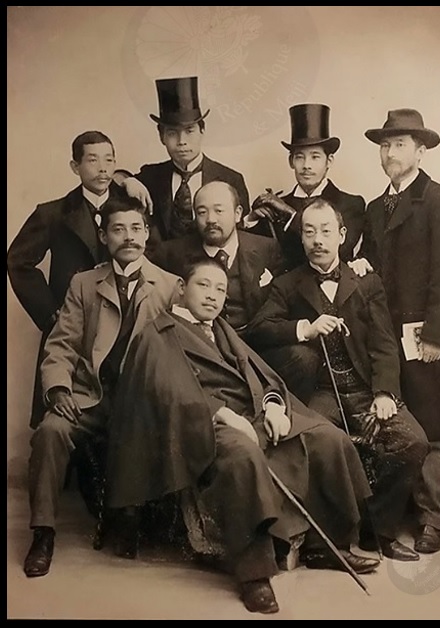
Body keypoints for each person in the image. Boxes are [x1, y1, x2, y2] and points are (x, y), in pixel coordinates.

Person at [105, 257, 381, 615]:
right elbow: (165, 393)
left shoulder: (222, 329)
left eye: (220, 289)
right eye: (204, 285)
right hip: (199, 425)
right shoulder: (157, 334)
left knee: (328, 438)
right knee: (242, 455)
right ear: (182, 288)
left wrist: (272, 406)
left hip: (251, 414)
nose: (212, 295)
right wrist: (221, 414)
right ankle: (255, 574)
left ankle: (326, 545)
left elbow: (259, 374)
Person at [248, 200, 429, 561]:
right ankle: (330, 545)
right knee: (322, 445)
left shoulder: (367, 282)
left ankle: (379, 530)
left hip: (363, 389)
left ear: (342, 235)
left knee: (413, 441)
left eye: (326, 231)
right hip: (322, 391)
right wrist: (304, 328)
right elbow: (258, 329)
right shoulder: (287, 284)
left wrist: (384, 393)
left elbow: (383, 344)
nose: (318, 239)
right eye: (309, 232)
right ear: (301, 240)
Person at [22, 193, 181, 579]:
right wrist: (58, 389)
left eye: (136, 228)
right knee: (50, 431)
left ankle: (135, 518)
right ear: (104, 236)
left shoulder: (169, 286)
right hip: (90, 397)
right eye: (119, 230)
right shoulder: (84, 284)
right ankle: (43, 533)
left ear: (147, 233)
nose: (129, 237)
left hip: (142, 403)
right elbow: (61, 344)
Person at [351, 108, 440, 554]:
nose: (390, 153)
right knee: (397, 420)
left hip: (426, 333)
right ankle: (398, 508)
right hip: (387, 334)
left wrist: (438, 335)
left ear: (421, 151)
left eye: (399, 144)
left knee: (432, 426)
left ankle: (432, 519)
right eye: (385, 145)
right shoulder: (373, 208)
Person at [7, 130, 160, 429]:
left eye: (109, 160)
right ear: (75, 166)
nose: (103, 169)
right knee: (65, 413)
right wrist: (51, 313)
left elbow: (153, 253)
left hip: (123, 319)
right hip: (75, 322)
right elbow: (18, 261)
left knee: (127, 414)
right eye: (92, 160)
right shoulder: (53, 213)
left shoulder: (132, 208)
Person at [118, 76, 250, 240]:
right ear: (161, 137)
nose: (181, 141)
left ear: (202, 131)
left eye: (189, 131)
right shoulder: (150, 177)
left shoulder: (230, 179)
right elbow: (112, 188)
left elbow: (240, 234)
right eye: (172, 133)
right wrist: (127, 180)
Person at [155, 181, 284, 339]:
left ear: (237, 214)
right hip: (196, 341)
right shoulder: (171, 254)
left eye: (219, 211)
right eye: (202, 212)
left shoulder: (266, 248)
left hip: (255, 342)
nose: (210, 219)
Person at [245, 103, 365, 270]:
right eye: (300, 157)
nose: (306, 165)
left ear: (329, 161)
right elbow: (258, 254)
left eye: (315, 157)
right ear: (291, 161)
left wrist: (290, 214)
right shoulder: (276, 206)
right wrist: (251, 220)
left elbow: (340, 250)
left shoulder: (351, 204)